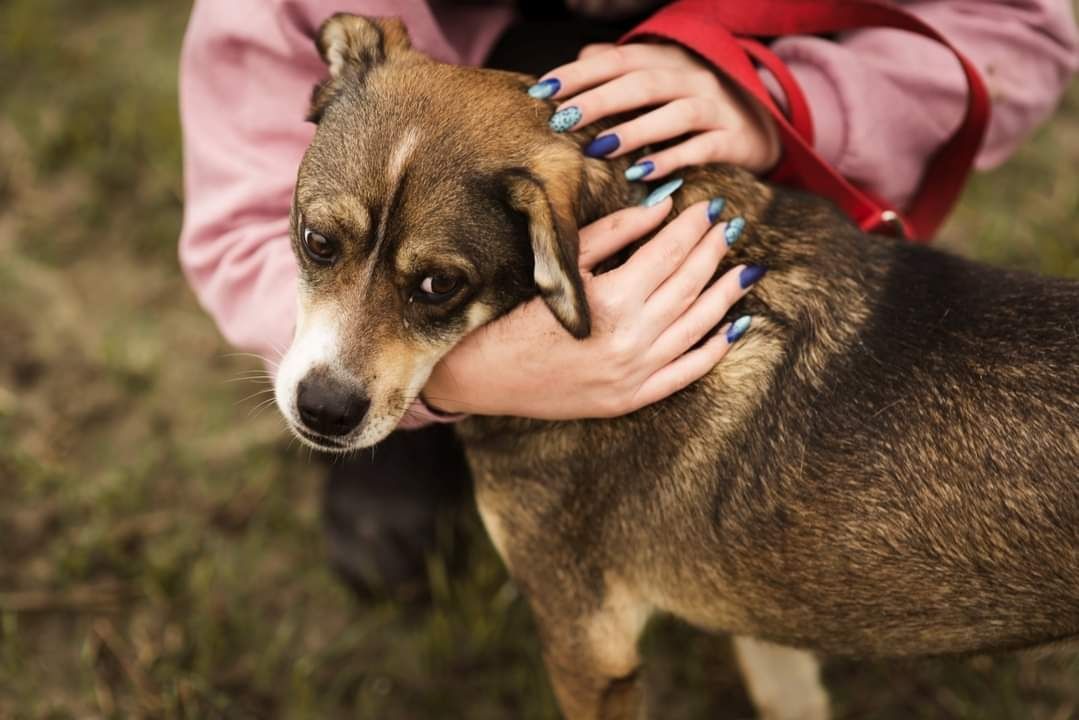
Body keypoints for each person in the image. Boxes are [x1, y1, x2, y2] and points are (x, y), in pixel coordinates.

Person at [178, 0, 1078, 599]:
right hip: (480, 105)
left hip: (743, 106)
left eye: (436, 287)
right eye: (321, 246)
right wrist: (465, 376)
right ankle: (432, 437)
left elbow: (1017, 29)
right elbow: (234, 228)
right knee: (401, 558)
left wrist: (788, 101)